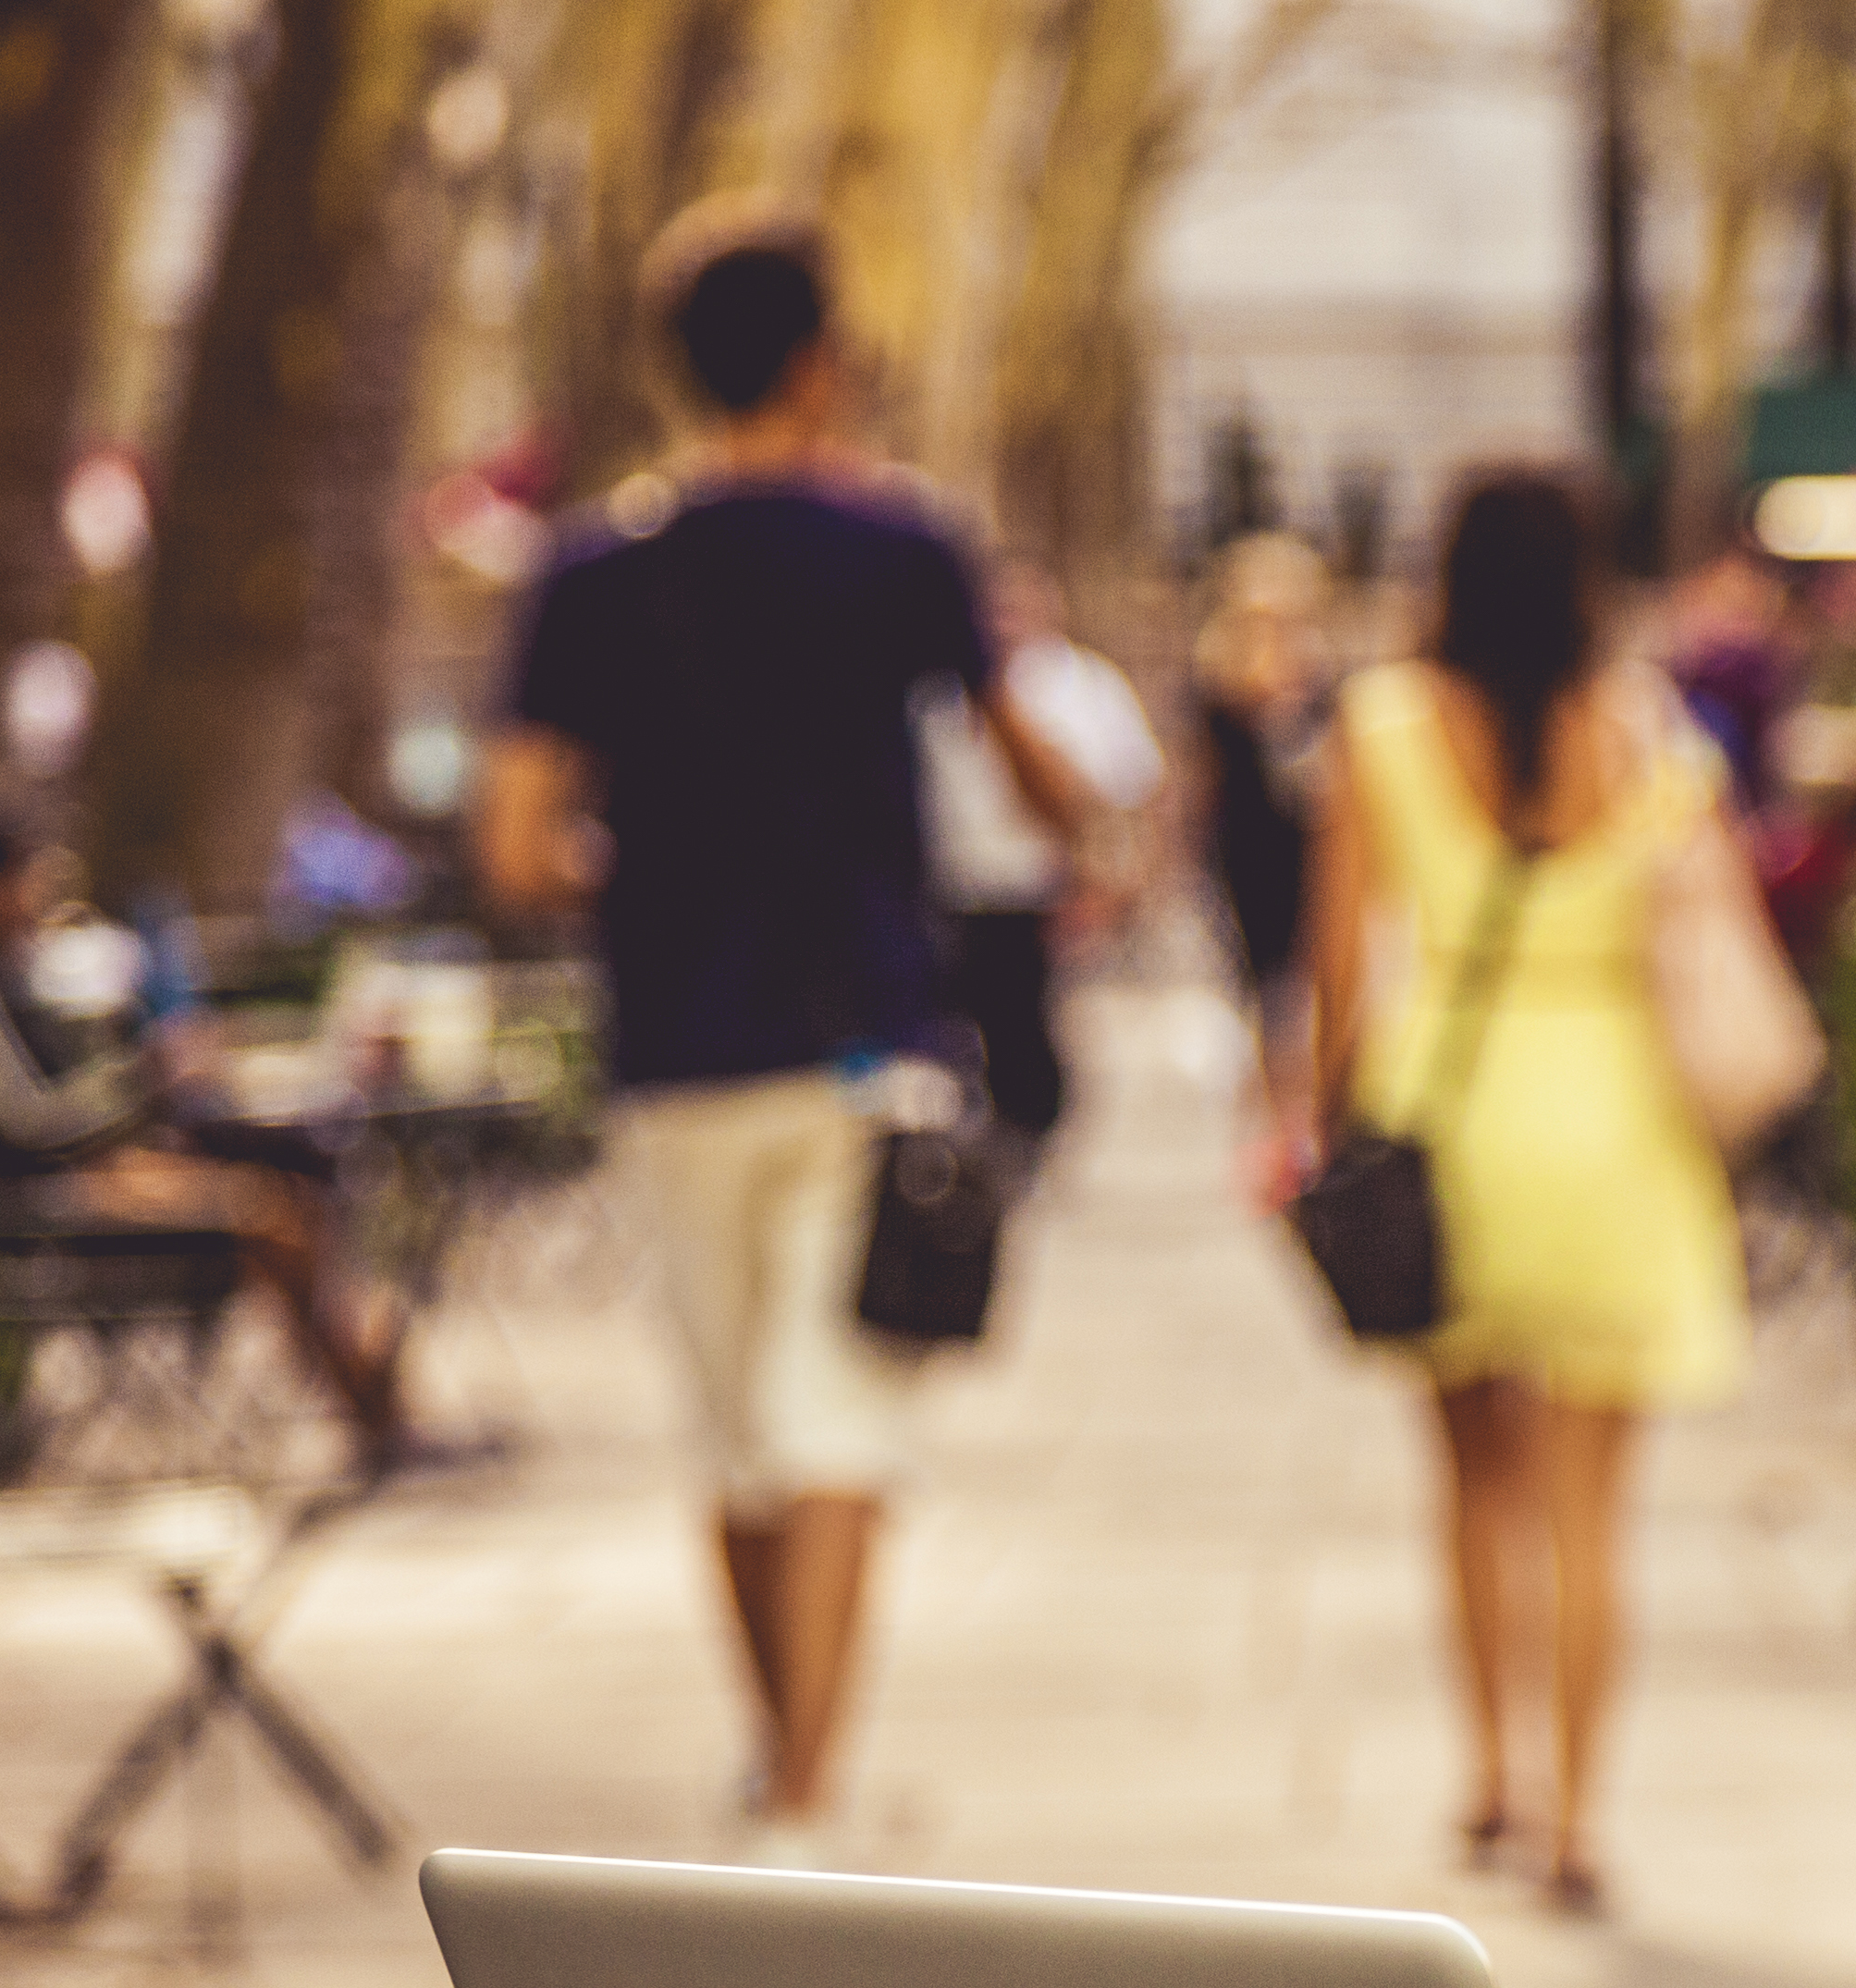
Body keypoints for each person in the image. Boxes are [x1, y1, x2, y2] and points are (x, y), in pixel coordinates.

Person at [476, 201, 1083, 1864]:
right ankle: (808, 1786)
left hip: (675, 1041)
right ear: (820, 363)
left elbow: (518, 844)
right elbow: (1029, 766)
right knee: (839, 1424)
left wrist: (644, 868)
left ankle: (776, 1757)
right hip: (863, 1032)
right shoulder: (902, 550)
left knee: (741, 1433)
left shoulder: (592, 573)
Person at [1292, 468, 1744, 1917]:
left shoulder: (1383, 727)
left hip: (1454, 1120)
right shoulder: (1648, 732)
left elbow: (1340, 970)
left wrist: (1320, 1119)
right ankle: (1582, 1817)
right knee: (1592, 1511)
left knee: (1474, 1481)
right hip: (1613, 1122)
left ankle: (1495, 1772)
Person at [0, 815, 413, 1466]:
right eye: (25, 879)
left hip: (85, 1171)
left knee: (294, 1187)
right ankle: (366, 1399)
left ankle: (367, 1390)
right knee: (266, 1213)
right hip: (33, 1198)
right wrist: (142, 1079)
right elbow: (22, 1121)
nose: (37, 896)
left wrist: (144, 1077)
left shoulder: (8, 971)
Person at [924, 556, 1166, 1151]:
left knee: (1024, 1025)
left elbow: (1132, 791)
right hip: (953, 889)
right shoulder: (941, 689)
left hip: (1036, 888)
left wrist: (1115, 883)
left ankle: (1026, 1134)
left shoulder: (1084, 685)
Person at [1189, 531, 1326, 1076]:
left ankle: (1299, 1088)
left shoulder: (1317, 667)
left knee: (1302, 980)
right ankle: (1272, 1094)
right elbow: (1208, 770)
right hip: (1247, 840)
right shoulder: (1220, 671)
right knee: (1262, 981)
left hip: (1304, 839)